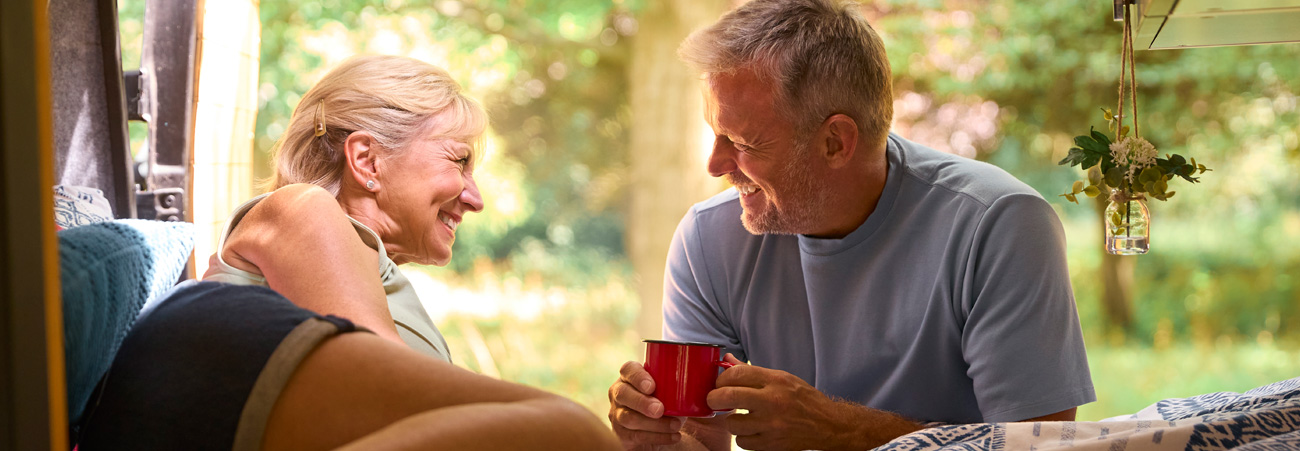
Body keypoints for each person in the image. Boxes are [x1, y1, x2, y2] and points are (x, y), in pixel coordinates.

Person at [607, 1, 1094, 450]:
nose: (715, 166)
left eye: (742, 141)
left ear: (836, 142)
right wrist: (661, 436)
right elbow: (701, 439)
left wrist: (835, 427)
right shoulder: (708, 240)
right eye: (715, 134)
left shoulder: (997, 225)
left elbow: (1040, 443)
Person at [76, 55, 621, 450]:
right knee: (571, 432)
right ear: (366, 160)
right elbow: (402, 396)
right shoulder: (301, 211)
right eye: (459, 162)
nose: (476, 199)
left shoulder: (365, 262)